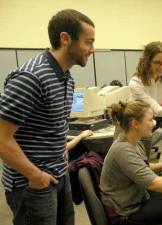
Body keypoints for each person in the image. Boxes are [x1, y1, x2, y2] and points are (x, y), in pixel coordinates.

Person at [0, 9, 95, 225]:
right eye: (88, 42)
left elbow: (54, 129)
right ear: (65, 38)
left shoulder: (66, 77)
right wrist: (35, 176)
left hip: (59, 175)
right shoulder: (31, 77)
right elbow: (1, 138)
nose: (92, 49)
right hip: (32, 183)